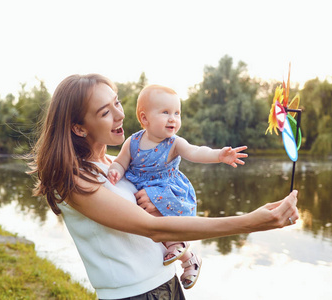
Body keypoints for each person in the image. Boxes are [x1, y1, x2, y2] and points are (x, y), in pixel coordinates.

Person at [28, 73, 299, 300]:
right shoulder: (75, 180)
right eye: (105, 112)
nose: (120, 115)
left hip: (167, 283)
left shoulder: (117, 163)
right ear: (79, 128)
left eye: (117, 102)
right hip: (133, 295)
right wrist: (252, 222)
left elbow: (162, 213)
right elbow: (153, 227)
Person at [107, 84, 248, 289]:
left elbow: (196, 152)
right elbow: (121, 161)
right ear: (144, 118)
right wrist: (115, 170)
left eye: (177, 113)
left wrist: (218, 155)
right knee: (150, 227)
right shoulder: (133, 142)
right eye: (165, 112)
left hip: (167, 191)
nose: (173, 118)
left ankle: (180, 249)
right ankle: (190, 259)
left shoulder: (174, 143)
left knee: (163, 228)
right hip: (143, 193)